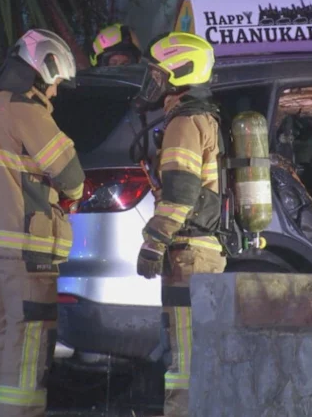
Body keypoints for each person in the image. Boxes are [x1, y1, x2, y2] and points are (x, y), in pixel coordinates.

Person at [0, 29, 84, 417]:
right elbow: (71, 175)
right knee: (28, 339)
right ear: (44, 70)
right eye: (56, 84)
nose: (55, 93)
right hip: (23, 249)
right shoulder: (26, 110)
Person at [133, 32, 226, 416]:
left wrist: (154, 241)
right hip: (203, 254)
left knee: (184, 357)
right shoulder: (203, 118)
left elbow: (181, 194)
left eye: (159, 73)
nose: (152, 82)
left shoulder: (185, 123)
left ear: (180, 71)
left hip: (189, 256)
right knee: (193, 353)